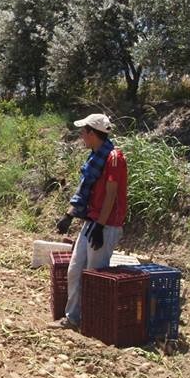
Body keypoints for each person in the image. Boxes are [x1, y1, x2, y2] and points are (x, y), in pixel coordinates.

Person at [52, 113, 128, 331]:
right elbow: (84, 191)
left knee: (94, 274)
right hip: (92, 221)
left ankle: (93, 322)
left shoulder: (113, 158)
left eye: (83, 132)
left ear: (92, 133)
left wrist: (100, 226)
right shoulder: (95, 157)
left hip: (105, 224)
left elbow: (111, 195)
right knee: (75, 270)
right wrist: (69, 215)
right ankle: (73, 318)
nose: (81, 136)